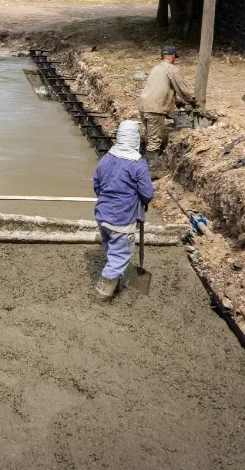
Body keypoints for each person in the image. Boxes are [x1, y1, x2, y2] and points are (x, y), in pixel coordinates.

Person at [92, 121, 154, 301]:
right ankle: (102, 293)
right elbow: (147, 194)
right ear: (136, 139)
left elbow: (96, 185)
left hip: (102, 215)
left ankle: (115, 279)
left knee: (111, 247)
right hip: (122, 219)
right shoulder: (138, 165)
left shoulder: (105, 158)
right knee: (120, 255)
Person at [138, 45, 196, 157]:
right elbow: (183, 90)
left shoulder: (156, 68)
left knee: (150, 135)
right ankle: (152, 166)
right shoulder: (172, 69)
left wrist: (178, 101)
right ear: (173, 56)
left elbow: (161, 90)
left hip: (143, 106)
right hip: (155, 109)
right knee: (154, 141)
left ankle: (143, 159)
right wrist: (193, 101)